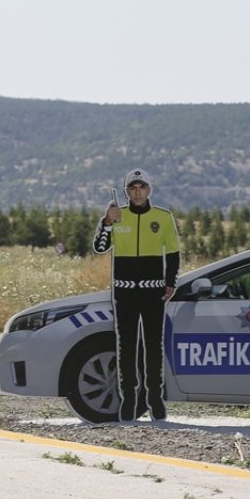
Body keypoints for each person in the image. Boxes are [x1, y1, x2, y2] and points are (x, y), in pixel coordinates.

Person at [92, 168, 180, 422]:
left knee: (153, 346)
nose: (138, 192)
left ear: (149, 190)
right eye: (133, 188)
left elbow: (173, 253)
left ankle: (155, 398)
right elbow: (99, 247)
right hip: (125, 293)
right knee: (127, 347)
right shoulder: (118, 216)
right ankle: (128, 399)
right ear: (126, 192)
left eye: (142, 187)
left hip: (153, 293)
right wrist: (106, 222)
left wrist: (170, 283)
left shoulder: (163, 217)